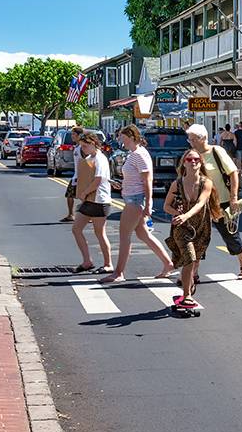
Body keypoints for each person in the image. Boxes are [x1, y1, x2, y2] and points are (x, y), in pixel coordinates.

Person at [106, 125, 174, 282]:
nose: (120, 140)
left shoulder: (139, 154)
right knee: (143, 234)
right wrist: (121, 184)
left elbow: (147, 180)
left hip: (135, 199)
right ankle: (168, 263)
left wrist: (149, 203)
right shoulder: (134, 154)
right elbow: (136, 178)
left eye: (122, 137)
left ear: (130, 137)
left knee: (124, 235)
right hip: (132, 196)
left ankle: (118, 272)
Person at [190, 122, 242, 279]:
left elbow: (233, 173)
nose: (190, 142)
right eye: (189, 139)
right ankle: (194, 272)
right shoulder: (192, 155)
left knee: (229, 233)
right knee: (199, 236)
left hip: (222, 201)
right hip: (201, 203)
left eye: (193, 139)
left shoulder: (216, 151)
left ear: (202, 138)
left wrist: (233, 197)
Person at [163, 149, 214, 317]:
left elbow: (200, 204)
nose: (193, 162)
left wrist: (186, 215)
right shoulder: (177, 184)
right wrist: (178, 215)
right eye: (190, 159)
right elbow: (166, 206)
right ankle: (187, 296)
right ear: (183, 163)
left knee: (195, 261)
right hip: (181, 228)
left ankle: (188, 283)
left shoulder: (206, 183)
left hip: (200, 227)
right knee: (189, 258)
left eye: (197, 159)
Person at [70, 132, 114, 274]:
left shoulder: (100, 159)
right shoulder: (89, 158)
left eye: (85, 146)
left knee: (99, 232)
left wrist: (84, 192)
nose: (83, 149)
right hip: (89, 200)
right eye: (81, 146)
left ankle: (108, 264)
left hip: (99, 200)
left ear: (94, 144)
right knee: (76, 229)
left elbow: (98, 180)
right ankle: (87, 261)